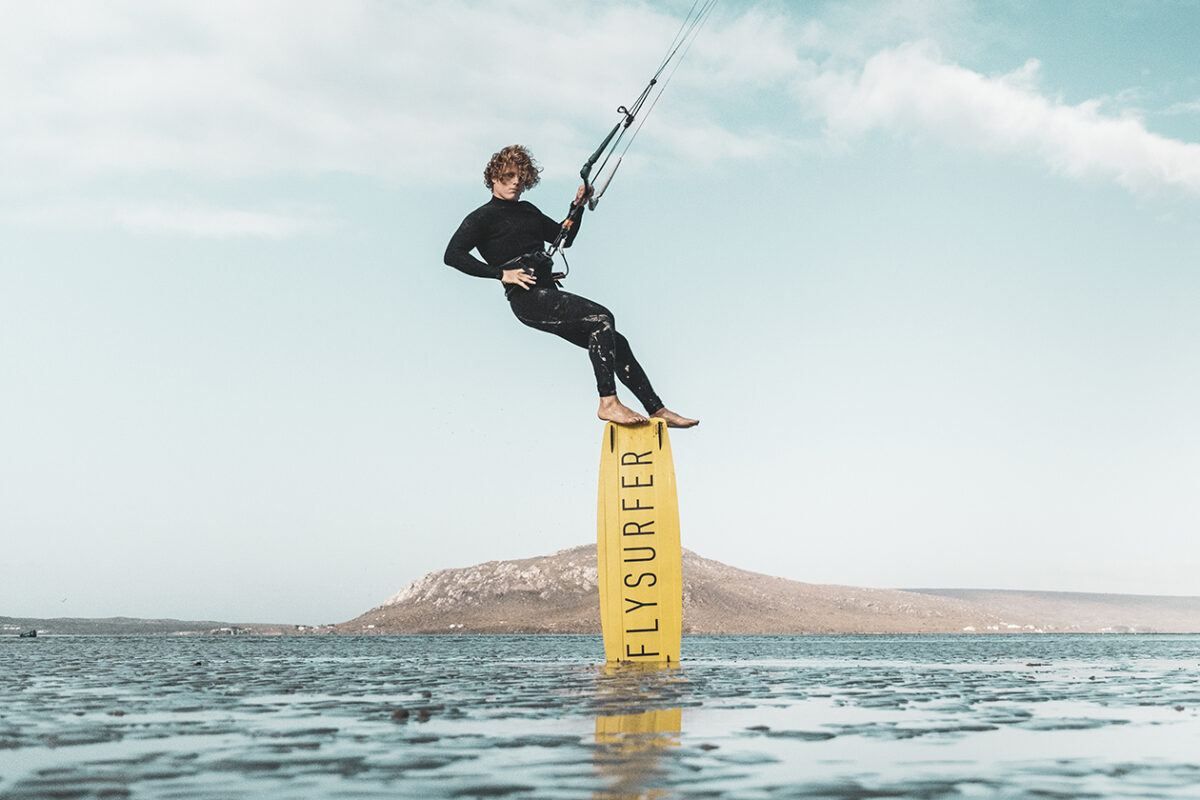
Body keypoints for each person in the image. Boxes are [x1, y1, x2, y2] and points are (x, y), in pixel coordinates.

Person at [444, 145, 698, 428]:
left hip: (546, 292)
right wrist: (502, 274)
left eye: (521, 176)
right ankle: (608, 402)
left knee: (614, 339)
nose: (516, 181)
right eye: (509, 175)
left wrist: (577, 205)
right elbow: (452, 255)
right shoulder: (483, 217)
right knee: (602, 318)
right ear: (494, 177)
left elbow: (563, 237)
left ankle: (657, 409)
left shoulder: (528, 211)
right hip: (526, 298)